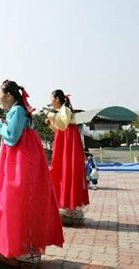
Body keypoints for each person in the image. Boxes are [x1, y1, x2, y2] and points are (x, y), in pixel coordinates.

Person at [0, 80, 64, 260]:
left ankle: (22, 246)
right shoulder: (19, 110)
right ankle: (23, 244)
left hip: (20, 160)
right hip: (21, 158)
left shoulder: (17, 110)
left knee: (15, 199)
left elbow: (12, 136)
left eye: (0, 97)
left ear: (9, 95)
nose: (0, 101)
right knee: (16, 199)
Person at [47, 90, 89, 221]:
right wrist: (51, 125)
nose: (51, 102)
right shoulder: (62, 111)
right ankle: (68, 206)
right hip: (64, 142)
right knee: (62, 171)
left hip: (69, 144)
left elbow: (64, 125)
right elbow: (59, 129)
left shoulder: (65, 110)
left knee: (68, 171)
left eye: (52, 99)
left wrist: (51, 116)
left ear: (57, 99)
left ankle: (72, 208)